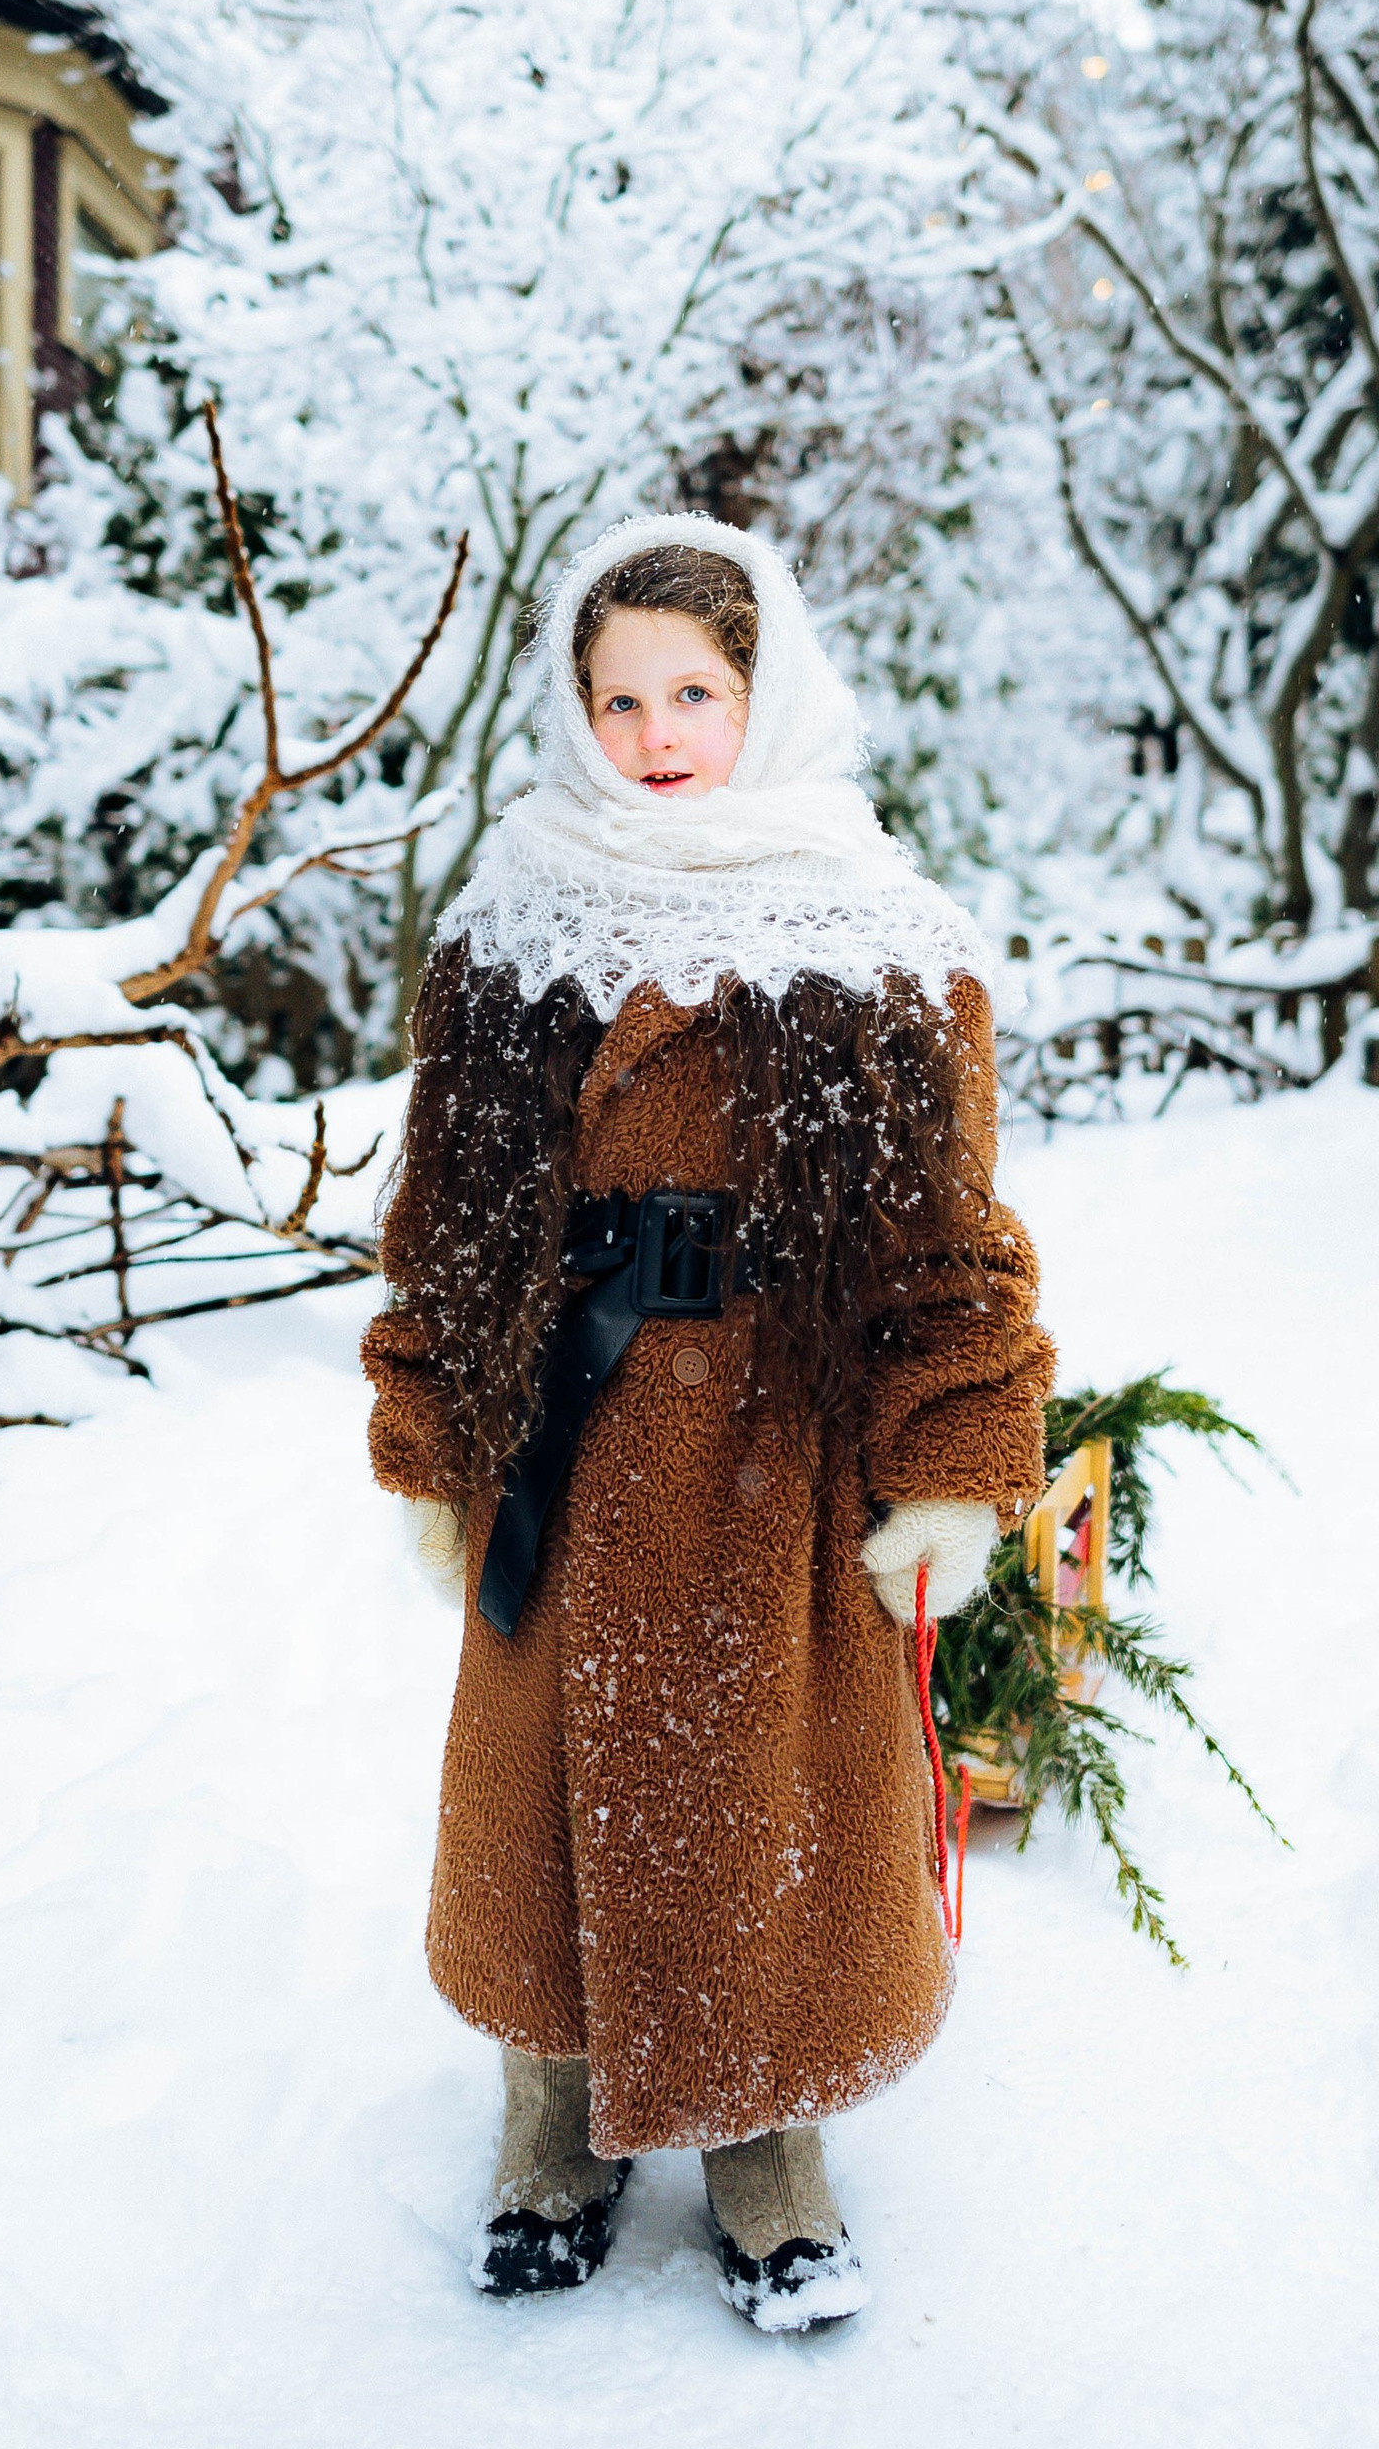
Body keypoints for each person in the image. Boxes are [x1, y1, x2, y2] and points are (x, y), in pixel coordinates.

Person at [362, 515, 1053, 2333]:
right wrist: (437, 1442)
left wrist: (953, 1468)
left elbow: (947, 1245)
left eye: (697, 692)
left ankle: (767, 2149)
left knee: (765, 1812)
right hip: (566, 1440)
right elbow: (443, 1223)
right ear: (571, 715)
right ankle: (554, 2127)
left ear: (769, 694)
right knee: (545, 1815)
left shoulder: (878, 945)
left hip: (773, 1445)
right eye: (619, 699)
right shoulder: (515, 930)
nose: (658, 735)